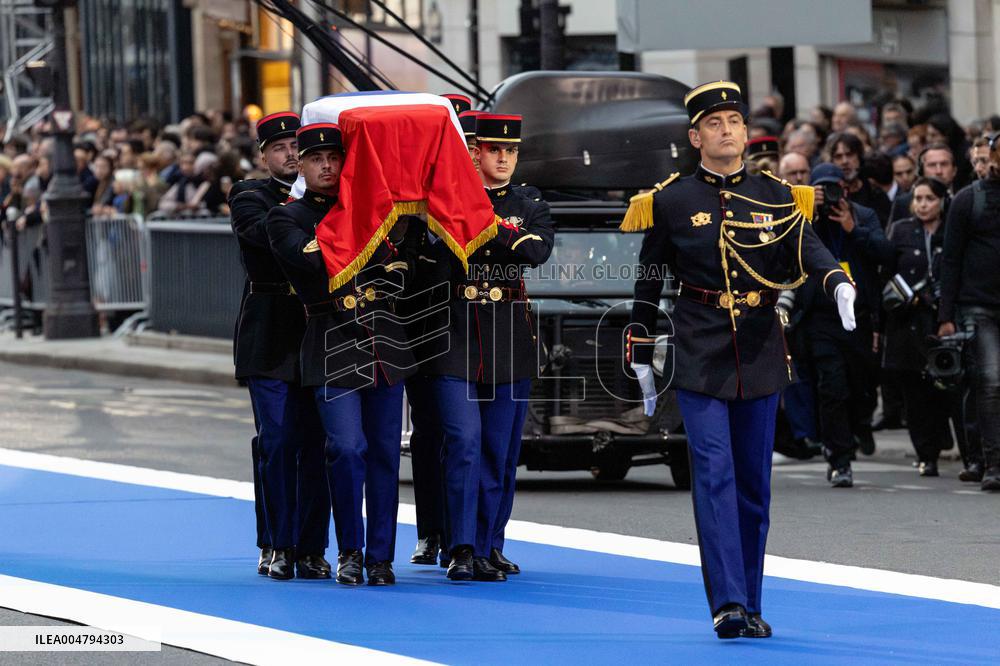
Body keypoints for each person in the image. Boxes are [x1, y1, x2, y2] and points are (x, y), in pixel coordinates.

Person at [624, 81, 856, 639]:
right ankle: (727, 603)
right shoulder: (671, 199)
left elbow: (808, 248)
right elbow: (650, 276)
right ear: (695, 135)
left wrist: (835, 280)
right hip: (699, 347)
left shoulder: (777, 195)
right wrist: (638, 346)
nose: (727, 131)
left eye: (734, 122)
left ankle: (751, 600)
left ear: (746, 133)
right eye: (715, 123)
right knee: (714, 473)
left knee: (755, 483)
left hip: (758, 348)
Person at [267, 122, 416, 585]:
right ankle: (351, 549)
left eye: (335, 157)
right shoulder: (287, 217)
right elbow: (312, 263)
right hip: (331, 340)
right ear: (303, 167)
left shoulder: (377, 209)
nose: (327, 166)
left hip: (384, 343)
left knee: (385, 455)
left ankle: (381, 557)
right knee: (347, 449)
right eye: (315, 159)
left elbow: (402, 271)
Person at [423, 112, 554, 582]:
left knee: (500, 448)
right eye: (494, 150)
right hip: (454, 331)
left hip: (509, 335)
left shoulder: (529, 200)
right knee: (463, 441)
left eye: (511, 150)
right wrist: (505, 237)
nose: (503, 158)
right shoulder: (442, 200)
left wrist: (484, 225)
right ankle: (459, 546)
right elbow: (434, 259)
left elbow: (537, 251)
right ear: (474, 152)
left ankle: (488, 544)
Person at [228, 112, 331, 581]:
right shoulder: (250, 195)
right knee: (277, 441)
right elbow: (261, 235)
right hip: (269, 332)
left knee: (318, 445)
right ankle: (276, 542)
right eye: (282, 147)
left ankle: (310, 547)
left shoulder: (329, 199)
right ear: (264, 156)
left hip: (319, 329)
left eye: (299, 147)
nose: (291, 154)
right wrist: (303, 203)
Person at [796, 164, 893, 486]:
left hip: (860, 317)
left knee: (862, 387)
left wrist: (854, 229)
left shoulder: (863, 216)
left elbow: (886, 256)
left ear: (846, 188)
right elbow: (790, 254)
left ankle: (856, 429)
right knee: (831, 386)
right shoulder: (806, 218)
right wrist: (810, 211)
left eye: (835, 188)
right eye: (823, 190)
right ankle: (839, 459)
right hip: (822, 317)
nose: (832, 197)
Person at [937, 133, 1000, 490]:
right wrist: (946, 314)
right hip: (979, 305)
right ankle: (992, 464)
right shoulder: (967, 200)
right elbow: (951, 258)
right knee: (989, 382)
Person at [882, 178, 953, 476]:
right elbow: (885, 271)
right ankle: (927, 453)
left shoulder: (951, 230)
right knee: (914, 391)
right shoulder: (901, 230)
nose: (923, 204)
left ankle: (943, 440)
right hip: (907, 321)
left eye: (930, 198)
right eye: (918, 198)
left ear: (941, 201)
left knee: (943, 388)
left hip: (941, 320)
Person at [826, 132, 890, 226]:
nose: (845, 161)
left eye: (849, 155)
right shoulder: (827, 195)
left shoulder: (876, 194)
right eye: (838, 157)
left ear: (859, 157)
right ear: (832, 161)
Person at [889, 144, 958, 224]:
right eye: (932, 165)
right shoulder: (903, 203)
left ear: (954, 170)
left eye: (944, 164)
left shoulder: (966, 199)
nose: (938, 171)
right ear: (921, 171)